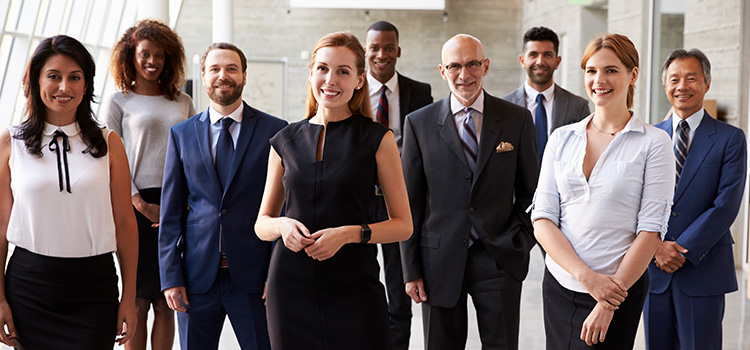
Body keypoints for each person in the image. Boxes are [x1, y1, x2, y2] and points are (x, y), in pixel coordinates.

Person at [255, 31, 412, 350]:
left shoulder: (378, 140)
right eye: (323, 69)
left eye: (343, 71)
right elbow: (262, 223)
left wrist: (349, 234)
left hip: (355, 287)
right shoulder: (284, 141)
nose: (331, 79)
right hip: (290, 288)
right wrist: (283, 225)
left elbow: (403, 225)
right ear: (310, 72)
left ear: (358, 80)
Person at [531, 33, 674, 349]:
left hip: (619, 289)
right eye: (591, 71)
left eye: (611, 70)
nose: (599, 80)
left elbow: (650, 231)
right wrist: (585, 276)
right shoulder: (561, 138)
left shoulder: (653, 142)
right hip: (561, 284)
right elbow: (542, 219)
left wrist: (608, 301)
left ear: (632, 75)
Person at [400, 34, 539, 349]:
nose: (464, 75)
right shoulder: (418, 124)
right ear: (442, 70)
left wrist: (519, 241)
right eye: (455, 66)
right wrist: (411, 270)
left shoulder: (516, 119)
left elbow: (532, 193)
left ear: (485, 66)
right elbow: (411, 203)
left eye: (472, 64)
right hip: (438, 260)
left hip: (499, 256)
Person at [0, 35, 138, 348]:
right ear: (36, 81)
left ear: (87, 84)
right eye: (54, 76)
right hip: (28, 288)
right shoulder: (11, 142)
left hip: (94, 289)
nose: (64, 87)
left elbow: (126, 225)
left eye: (74, 78)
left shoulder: (109, 143)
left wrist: (128, 298)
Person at [158, 42, 287, 350]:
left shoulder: (276, 131)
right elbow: (171, 214)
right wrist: (171, 277)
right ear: (203, 76)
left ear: (244, 75)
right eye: (214, 69)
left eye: (231, 68)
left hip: (255, 277)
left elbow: (284, 209)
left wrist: (276, 272)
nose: (223, 75)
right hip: (196, 279)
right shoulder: (182, 134)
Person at [644, 49, 747, 350]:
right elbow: (638, 201)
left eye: (692, 78)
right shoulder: (649, 136)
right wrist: (656, 247)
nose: (682, 86)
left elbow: (726, 204)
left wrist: (680, 250)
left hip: (704, 267)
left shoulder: (730, 138)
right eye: (674, 79)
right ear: (665, 86)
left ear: (707, 83)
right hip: (654, 268)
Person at [103, 19, 194, 350]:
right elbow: (108, 159)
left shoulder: (182, 101)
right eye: (145, 54)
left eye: (159, 55)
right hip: (133, 204)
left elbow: (193, 154)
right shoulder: (119, 102)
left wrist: (183, 202)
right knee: (139, 296)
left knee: (167, 298)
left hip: (177, 201)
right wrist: (138, 202)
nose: (152, 61)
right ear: (131, 56)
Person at [364, 20, 432, 350]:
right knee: (359, 283)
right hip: (360, 202)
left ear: (398, 51)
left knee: (398, 286)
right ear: (366, 52)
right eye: (374, 48)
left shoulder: (420, 92)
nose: (381, 54)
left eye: (388, 47)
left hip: (398, 201)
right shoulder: (353, 91)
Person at [502, 26, 589, 163]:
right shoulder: (503, 107)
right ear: (522, 61)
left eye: (547, 55)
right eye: (533, 55)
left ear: (557, 62)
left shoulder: (578, 107)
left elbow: (583, 156)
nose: (540, 61)